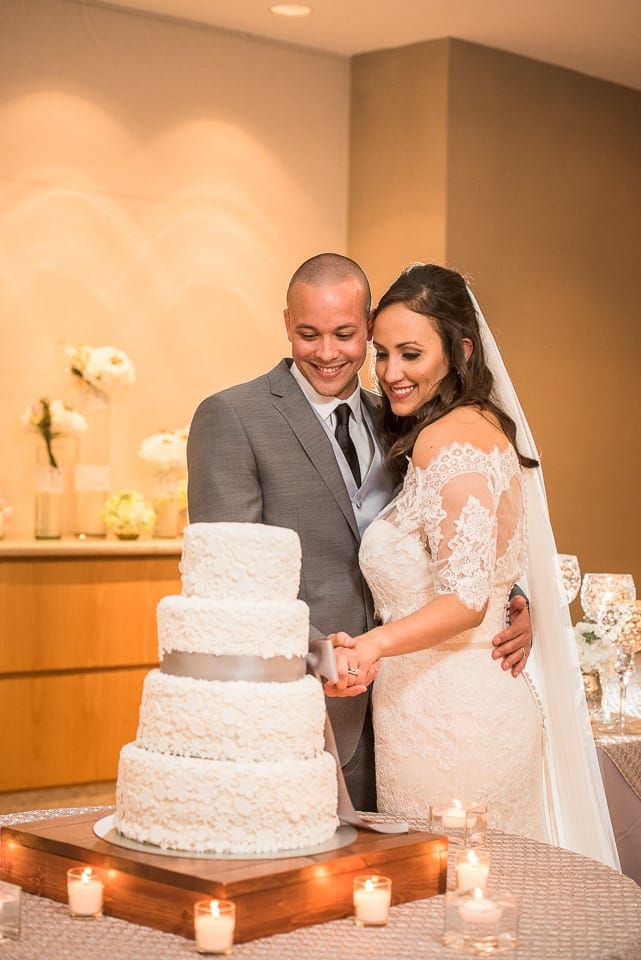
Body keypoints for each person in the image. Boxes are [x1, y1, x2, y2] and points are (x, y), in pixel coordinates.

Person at [187, 253, 532, 813]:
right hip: (305, 708)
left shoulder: (406, 415)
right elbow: (231, 580)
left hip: (412, 713)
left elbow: (452, 535)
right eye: (308, 334)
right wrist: (322, 661)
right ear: (286, 325)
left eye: (346, 335)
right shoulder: (233, 416)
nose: (327, 353)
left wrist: (511, 602)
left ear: (369, 326)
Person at [326, 261, 619, 868]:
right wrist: (517, 600)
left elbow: (464, 601)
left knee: (455, 895)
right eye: (381, 354)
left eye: (410, 353)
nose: (390, 373)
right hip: (452, 707)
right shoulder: (474, 427)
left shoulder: (448, 440)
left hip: (452, 725)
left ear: (459, 352)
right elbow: (485, 569)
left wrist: (370, 645)